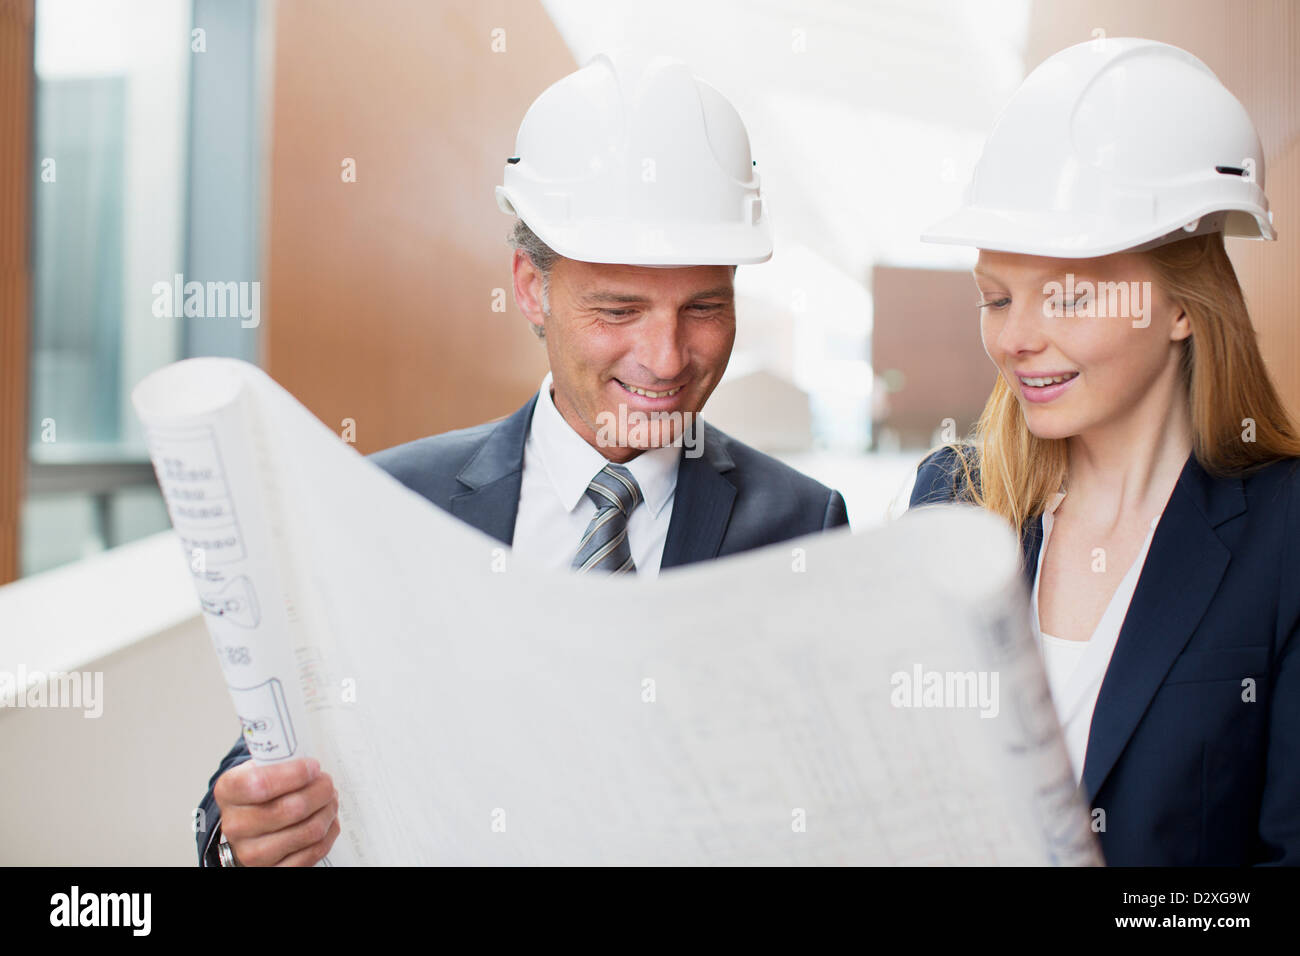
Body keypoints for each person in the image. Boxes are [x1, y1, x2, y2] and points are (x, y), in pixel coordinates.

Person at [195, 54, 850, 866]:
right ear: (531, 289)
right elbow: (273, 752)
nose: (667, 355)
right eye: (619, 309)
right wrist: (247, 833)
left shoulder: (801, 525)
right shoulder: (398, 504)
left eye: (705, 308)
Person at [911, 37, 1300, 865]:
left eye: (1069, 295)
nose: (1016, 339)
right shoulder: (952, 496)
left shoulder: (1286, 532)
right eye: (997, 297)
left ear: (1183, 308)